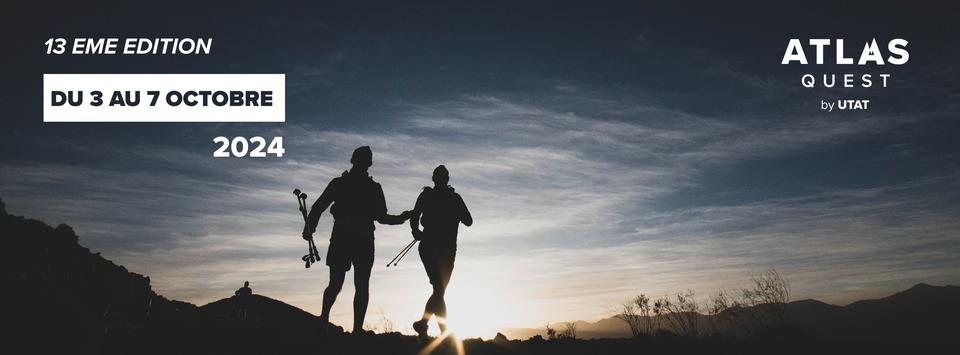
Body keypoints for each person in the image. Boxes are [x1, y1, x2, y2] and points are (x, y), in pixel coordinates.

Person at [303, 146, 410, 335]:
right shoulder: (346, 184)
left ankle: (352, 328)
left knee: (354, 285)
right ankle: (329, 321)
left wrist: (401, 218)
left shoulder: (368, 187)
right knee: (342, 284)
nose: (363, 162)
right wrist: (310, 226)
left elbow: (381, 216)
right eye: (361, 158)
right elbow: (319, 206)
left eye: (365, 159)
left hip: (355, 240)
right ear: (357, 161)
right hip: (350, 240)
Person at [409, 165, 472, 343]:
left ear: (433, 178)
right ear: (446, 179)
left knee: (439, 291)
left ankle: (424, 324)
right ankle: (444, 331)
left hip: (436, 249)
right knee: (439, 289)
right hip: (442, 251)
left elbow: (415, 217)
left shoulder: (427, 196)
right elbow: (468, 221)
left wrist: (416, 230)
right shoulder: (454, 198)